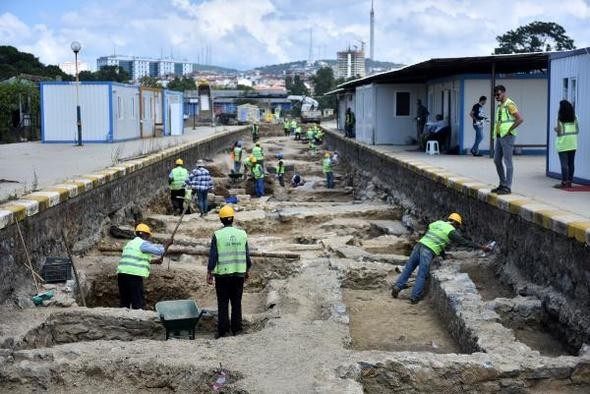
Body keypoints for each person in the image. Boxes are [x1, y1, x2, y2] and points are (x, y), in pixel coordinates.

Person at [391, 213, 491, 304]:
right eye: (458, 226)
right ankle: (414, 297)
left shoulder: (438, 223)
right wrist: (482, 247)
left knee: (408, 269)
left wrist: (443, 255)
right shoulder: (451, 231)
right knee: (422, 274)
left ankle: (397, 286)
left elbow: (437, 239)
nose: (457, 228)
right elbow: (465, 242)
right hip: (428, 251)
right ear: (456, 223)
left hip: (419, 246)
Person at [207, 205, 252, 339]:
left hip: (222, 276)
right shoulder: (242, 234)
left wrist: (209, 272)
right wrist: (247, 270)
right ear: (232, 218)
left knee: (223, 303)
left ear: (221, 220)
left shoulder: (217, 235)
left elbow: (213, 256)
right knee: (236, 302)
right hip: (238, 274)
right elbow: (247, 256)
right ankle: (237, 329)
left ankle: (224, 332)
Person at [117, 223, 171, 309]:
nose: (149, 237)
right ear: (144, 234)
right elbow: (160, 251)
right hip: (133, 276)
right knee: (138, 302)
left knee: (125, 302)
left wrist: (154, 261)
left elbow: (135, 259)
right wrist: (167, 244)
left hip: (121, 275)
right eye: (148, 235)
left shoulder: (130, 243)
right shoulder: (143, 244)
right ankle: (138, 320)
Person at [492, 85, 524, 195]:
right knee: (496, 160)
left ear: (504, 93)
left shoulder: (509, 104)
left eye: (498, 94)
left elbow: (520, 119)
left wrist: (510, 129)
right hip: (500, 135)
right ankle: (502, 183)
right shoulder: (500, 106)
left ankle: (507, 186)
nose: (496, 96)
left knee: (507, 161)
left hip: (507, 136)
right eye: (495, 95)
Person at [553, 100, 578, 188]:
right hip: (572, 142)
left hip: (563, 143)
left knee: (564, 164)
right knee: (571, 164)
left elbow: (559, 132)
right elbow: (577, 130)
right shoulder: (575, 117)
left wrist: (555, 129)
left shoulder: (560, 118)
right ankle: (569, 182)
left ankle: (564, 182)